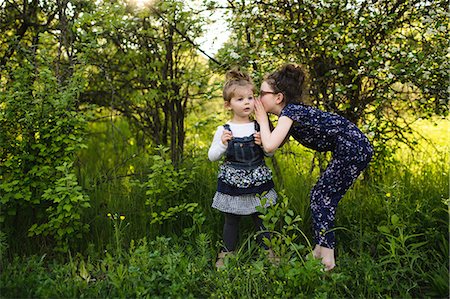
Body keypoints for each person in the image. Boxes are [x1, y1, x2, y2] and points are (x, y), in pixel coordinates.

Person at [254, 63, 373, 271]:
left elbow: (271, 144)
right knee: (322, 196)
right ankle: (320, 249)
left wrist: (263, 120)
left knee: (321, 196)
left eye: (261, 93)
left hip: (352, 146)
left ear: (278, 97)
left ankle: (327, 258)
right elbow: (272, 145)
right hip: (354, 146)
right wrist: (263, 133)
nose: (257, 98)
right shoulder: (291, 114)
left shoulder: (291, 111)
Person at [208, 69, 278, 268]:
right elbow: (212, 156)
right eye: (240, 99)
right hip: (233, 183)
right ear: (228, 104)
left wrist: (263, 145)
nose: (247, 102)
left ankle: (268, 253)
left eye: (250, 97)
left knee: (262, 217)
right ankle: (226, 254)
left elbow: (270, 153)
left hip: (258, 181)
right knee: (231, 220)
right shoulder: (224, 130)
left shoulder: (258, 126)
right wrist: (222, 144)